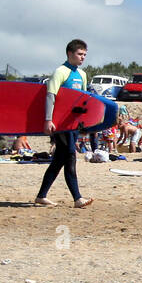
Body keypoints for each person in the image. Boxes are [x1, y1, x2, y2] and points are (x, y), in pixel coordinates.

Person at [35, 39, 94, 208]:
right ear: (70, 53)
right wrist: (48, 120)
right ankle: (77, 198)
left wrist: (84, 124)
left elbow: (83, 100)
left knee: (59, 160)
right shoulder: (60, 72)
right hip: (60, 124)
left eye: (84, 55)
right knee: (70, 156)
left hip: (73, 124)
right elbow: (50, 96)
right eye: (79, 54)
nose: (83, 57)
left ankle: (41, 196)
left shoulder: (82, 74)